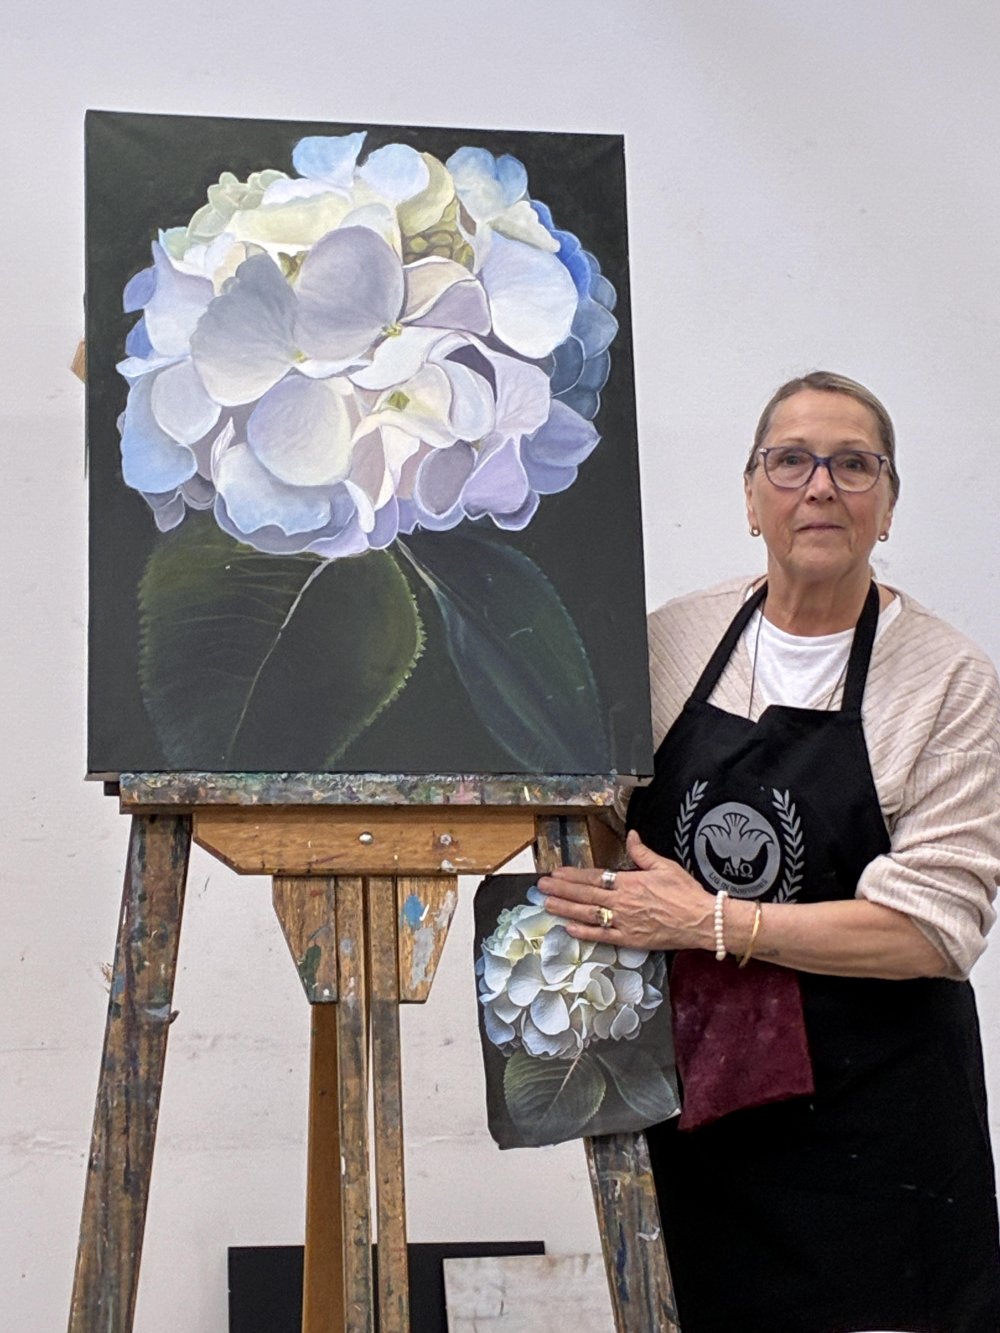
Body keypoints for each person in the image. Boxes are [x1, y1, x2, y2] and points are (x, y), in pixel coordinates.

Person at [538, 371, 1000, 1333]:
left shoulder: (948, 680)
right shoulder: (672, 645)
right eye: (790, 461)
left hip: (878, 1140)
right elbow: (591, 824)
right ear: (751, 497)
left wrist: (711, 920)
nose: (820, 485)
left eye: (853, 464)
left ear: (888, 505)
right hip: (706, 1121)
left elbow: (932, 930)